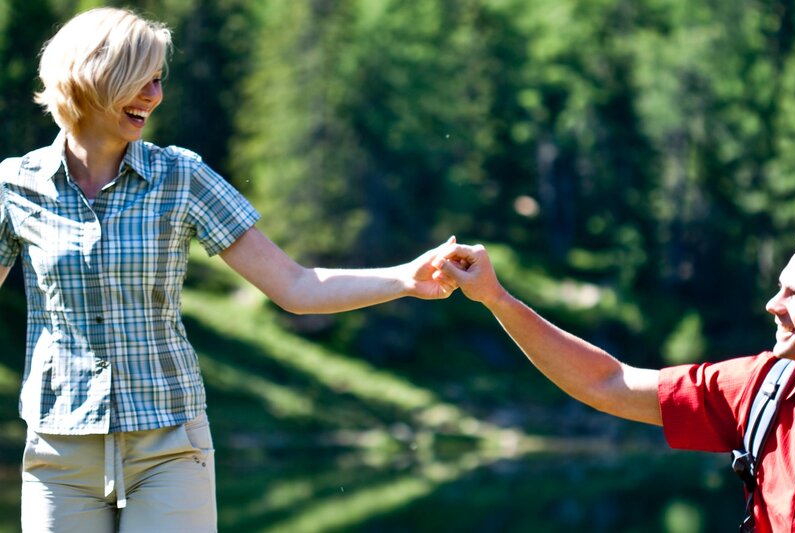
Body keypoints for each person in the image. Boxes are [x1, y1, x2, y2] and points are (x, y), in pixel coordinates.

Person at [0, 7, 457, 532]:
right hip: (60, 453)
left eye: (157, 79)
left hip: (169, 448)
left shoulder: (182, 177)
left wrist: (405, 278)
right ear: (90, 77)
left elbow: (295, 285)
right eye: (139, 79)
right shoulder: (15, 185)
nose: (154, 95)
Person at [436, 220, 795, 532]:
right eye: (778, 287)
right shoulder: (755, 390)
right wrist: (496, 300)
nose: (773, 305)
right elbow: (606, 383)